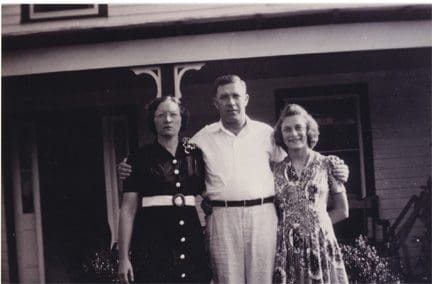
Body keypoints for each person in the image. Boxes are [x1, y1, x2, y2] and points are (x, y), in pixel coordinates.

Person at [118, 75, 349, 283]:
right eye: (224, 97)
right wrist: (127, 168)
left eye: (236, 96)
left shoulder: (266, 134)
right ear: (215, 103)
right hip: (222, 218)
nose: (231, 102)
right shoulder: (201, 139)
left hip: (263, 216)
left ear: (246, 98)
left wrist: (335, 168)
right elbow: (178, 165)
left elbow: (295, 162)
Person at [117, 96, 211, 283]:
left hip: (190, 241)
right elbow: (127, 210)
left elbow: (210, 191)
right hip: (152, 243)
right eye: (161, 115)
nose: (167, 120)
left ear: (182, 119)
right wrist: (124, 258)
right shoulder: (138, 158)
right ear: (153, 120)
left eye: (173, 115)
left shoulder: (195, 155)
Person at [272, 104, 349, 284]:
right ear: (281, 135)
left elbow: (342, 210)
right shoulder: (274, 169)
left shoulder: (328, 164)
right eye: (287, 129)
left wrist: (316, 225)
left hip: (321, 244)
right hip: (288, 248)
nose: (293, 134)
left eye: (298, 127)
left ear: (308, 131)